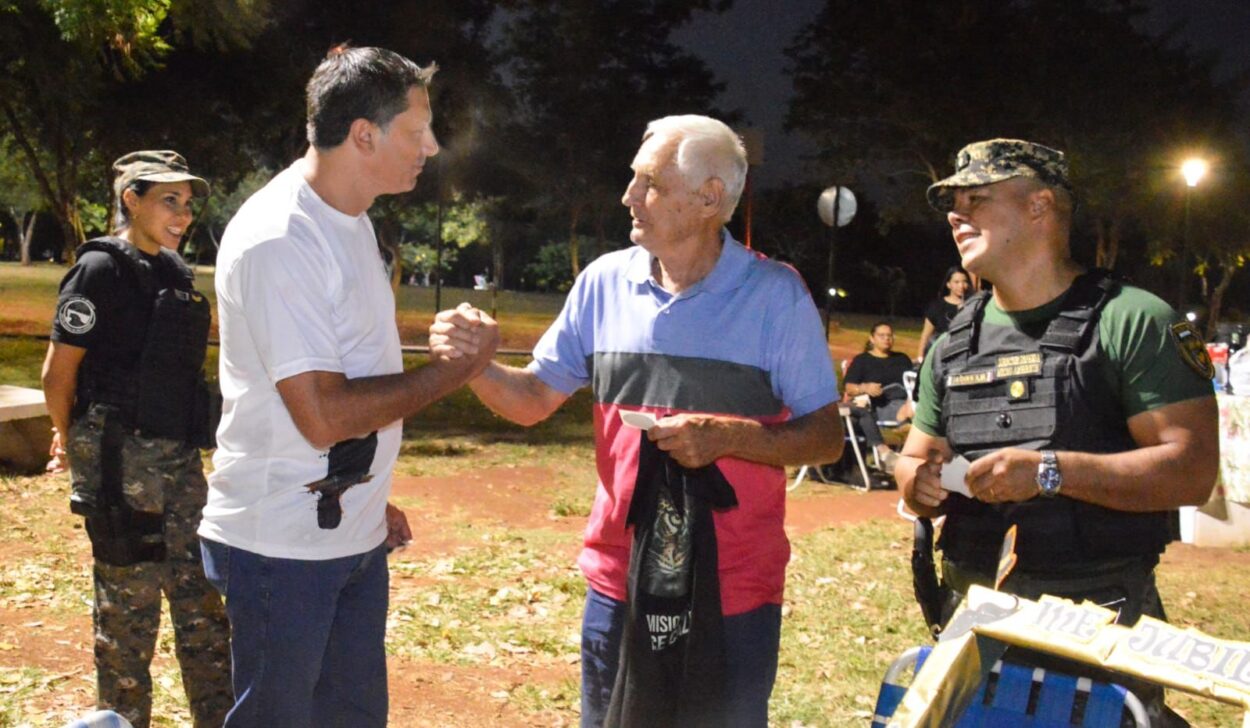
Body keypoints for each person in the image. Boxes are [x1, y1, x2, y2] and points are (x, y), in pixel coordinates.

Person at [431, 115, 843, 727]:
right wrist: (476, 364)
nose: (628, 197)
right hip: (616, 582)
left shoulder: (774, 296)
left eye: (649, 182)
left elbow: (827, 437)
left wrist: (728, 437)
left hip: (731, 590)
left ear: (709, 198)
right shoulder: (603, 282)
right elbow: (532, 400)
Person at [198, 46, 498, 727]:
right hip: (280, 549)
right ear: (363, 134)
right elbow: (325, 416)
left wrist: (369, 497)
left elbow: (353, 373)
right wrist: (451, 371)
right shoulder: (280, 238)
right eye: (415, 131)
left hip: (345, 539)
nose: (432, 146)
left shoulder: (350, 220)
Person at [896, 139, 1219, 725]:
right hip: (972, 611)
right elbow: (918, 454)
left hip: (1095, 617)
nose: (955, 215)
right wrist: (915, 480)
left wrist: (1049, 472)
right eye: (952, 204)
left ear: (1040, 206)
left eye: (977, 198)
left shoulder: (1131, 320)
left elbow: (1192, 472)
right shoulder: (953, 344)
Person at [40, 150, 232, 727]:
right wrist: (68, 438)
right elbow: (57, 373)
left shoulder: (174, 272)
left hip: (178, 462)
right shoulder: (98, 270)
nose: (182, 214)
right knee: (128, 620)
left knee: (202, 608)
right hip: (121, 465)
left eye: (188, 203)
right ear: (132, 199)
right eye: (168, 200)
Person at [843, 322, 914, 472]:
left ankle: (908, 447)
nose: (886, 339)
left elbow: (914, 383)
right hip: (878, 405)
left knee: (916, 407)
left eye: (889, 335)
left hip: (904, 402)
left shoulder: (902, 359)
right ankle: (901, 437)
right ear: (872, 339)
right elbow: (849, 388)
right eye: (881, 335)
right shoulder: (862, 360)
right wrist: (865, 387)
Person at [915, 265, 970, 362]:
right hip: (940, 357)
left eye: (964, 281)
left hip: (964, 357)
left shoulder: (973, 305)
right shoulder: (937, 306)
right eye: (956, 282)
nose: (961, 286)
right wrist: (920, 357)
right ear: (948, 284)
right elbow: (926, 335)